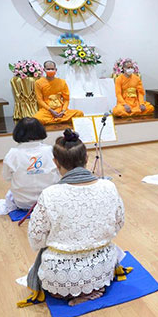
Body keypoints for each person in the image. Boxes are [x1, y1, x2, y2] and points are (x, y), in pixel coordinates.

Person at [26, 129, 125, 304]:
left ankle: (76, 293)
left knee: (49, 274)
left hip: (62, 276)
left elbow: (36, 240)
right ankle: (95, 286)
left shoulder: (49, 194)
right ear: (86, 159)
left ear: (56, 162)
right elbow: (118, 224)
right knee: (114, 250)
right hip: (102, 265)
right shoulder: (108, 186)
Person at [0, 118, 59, 215]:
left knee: (11, 193)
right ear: (41, 131)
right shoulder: (50, 150)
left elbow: (7, 177)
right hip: (50, 201)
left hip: (23, 203)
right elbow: (59, 173)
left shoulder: (12, 154)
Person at [32, 61, 83, 125]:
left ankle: (56, 120)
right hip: (47, 111)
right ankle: (59, 120)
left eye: (52, 69)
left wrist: (63, 111)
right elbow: (40, 100)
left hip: (61, 110)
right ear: (44, 70)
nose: (50, 70)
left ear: (56, 69)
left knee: (79, 113)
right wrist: (51, 110)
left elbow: (66, 99)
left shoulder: (62, 82)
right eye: (48, 69)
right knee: (36, 119)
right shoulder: (38, 83)